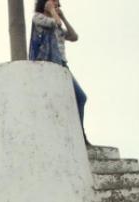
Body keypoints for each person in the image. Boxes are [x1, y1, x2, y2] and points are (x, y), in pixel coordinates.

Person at [29, 0, 91, 146]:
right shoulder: (38, 18)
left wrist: (63, 17)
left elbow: (74, 37)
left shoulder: (57, 25)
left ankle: (80, 133)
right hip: (47, 62)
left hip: (62, 65)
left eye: (57, 5)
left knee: (80, 97)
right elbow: (55, 23)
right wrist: (53, 12)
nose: (57, 6)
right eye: (54, 3)